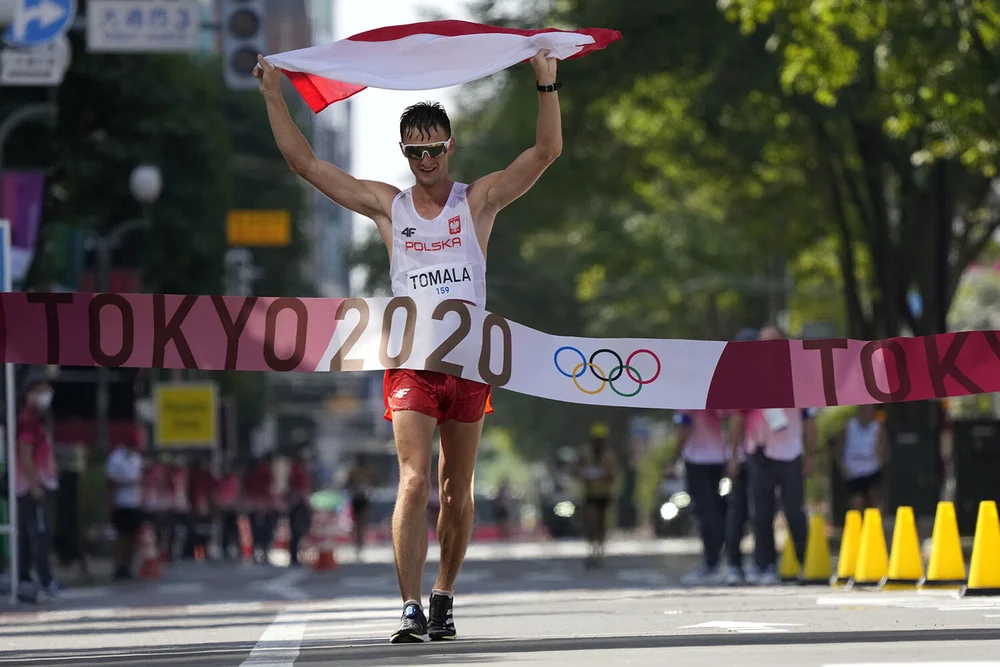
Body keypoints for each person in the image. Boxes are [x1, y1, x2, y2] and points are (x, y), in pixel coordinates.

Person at [256, 46, 562, 643]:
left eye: (434, 149)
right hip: (410, 366)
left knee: (456, 489)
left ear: (450, 147)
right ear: (404, 152)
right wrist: (273, 93)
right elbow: (307, 166)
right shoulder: (388, 208)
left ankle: (445, 593)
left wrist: (546, 85)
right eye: (414, 151)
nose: (425, 160)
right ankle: (409, 606)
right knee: (414, 480)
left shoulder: (477, 201)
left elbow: (546, 153)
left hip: (468, 361)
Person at [729, 325, 817, 585]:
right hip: (759, 454)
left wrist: (810, 455)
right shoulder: (749, 379)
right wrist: (735, 456)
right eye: (764, 344)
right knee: (761, 513)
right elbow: (737, 420)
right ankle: (765, 565)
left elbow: (809, 420)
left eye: (775, 343)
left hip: (791, 454)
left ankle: (803, 562)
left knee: (795, 512)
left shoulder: (798, 377)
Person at [14, 371, 60, 601]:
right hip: (33, 486)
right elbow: (25, 453)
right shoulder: (28, 420)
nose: (47, 394)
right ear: (28, 394)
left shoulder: (40, 419)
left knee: (32, 533)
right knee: (39, 534)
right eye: (40, 390)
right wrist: (35, 484)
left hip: (40, 484)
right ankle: (44, 581)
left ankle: (27, 580)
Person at [670, 410, 728, 586]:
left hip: (697, 460)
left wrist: (674, 458)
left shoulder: (688, 398)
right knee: (718, 511)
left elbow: (683, 430)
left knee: (705, 512)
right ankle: (720, 560)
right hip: (719, 457)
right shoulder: (718, 397)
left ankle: (712, 563)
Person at [575, 423, 618, 569]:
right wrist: (584, 475)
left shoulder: (609, 456)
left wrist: (604, 475)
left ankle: (599, 550)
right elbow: (575, 471)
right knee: (591, 523)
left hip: (604, 494)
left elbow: (614, 475)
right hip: (589, 494)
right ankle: (591, 549)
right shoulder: (584, 454)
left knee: (601, 524)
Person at [834, 405, 888, 512]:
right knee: (856, 502)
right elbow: (837, 449)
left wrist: (881, 454)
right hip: (853, 472)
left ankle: (873, 525)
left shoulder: (878, 428)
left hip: (872, 470)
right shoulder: (848, 427)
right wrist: (842, 467)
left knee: (874, 500)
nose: (868, 414)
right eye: (866, 410)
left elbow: (885, 450)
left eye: (872, 411)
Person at [105, 439, 145, 580]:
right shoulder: (115, 458)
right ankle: (118, 566)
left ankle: (128, 565)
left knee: (132, 536)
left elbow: (141, 479)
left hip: (134, 502)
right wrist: (126, 483)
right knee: (121, 536)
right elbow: (110, 481)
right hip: (121, 503)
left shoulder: (137, 459)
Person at [345, 453, 375, 561]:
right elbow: (346, 484)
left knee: (363, 523)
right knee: (357, 524)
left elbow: (375, 482)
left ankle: (360, 545)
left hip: (365, 498)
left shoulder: (368, 470)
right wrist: (354, 485)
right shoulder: (353, 471)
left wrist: (368, 485)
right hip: (356, 498)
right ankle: (357, 545)